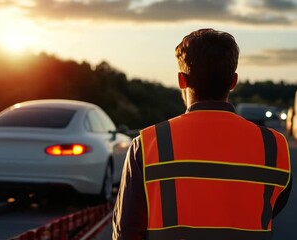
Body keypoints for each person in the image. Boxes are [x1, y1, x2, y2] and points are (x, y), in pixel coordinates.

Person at [112, 28, 292, 240]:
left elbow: (127, 231)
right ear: (233, 82)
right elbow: (271, 207)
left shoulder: (148, 143)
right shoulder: (274, 145)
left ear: (181, 80)